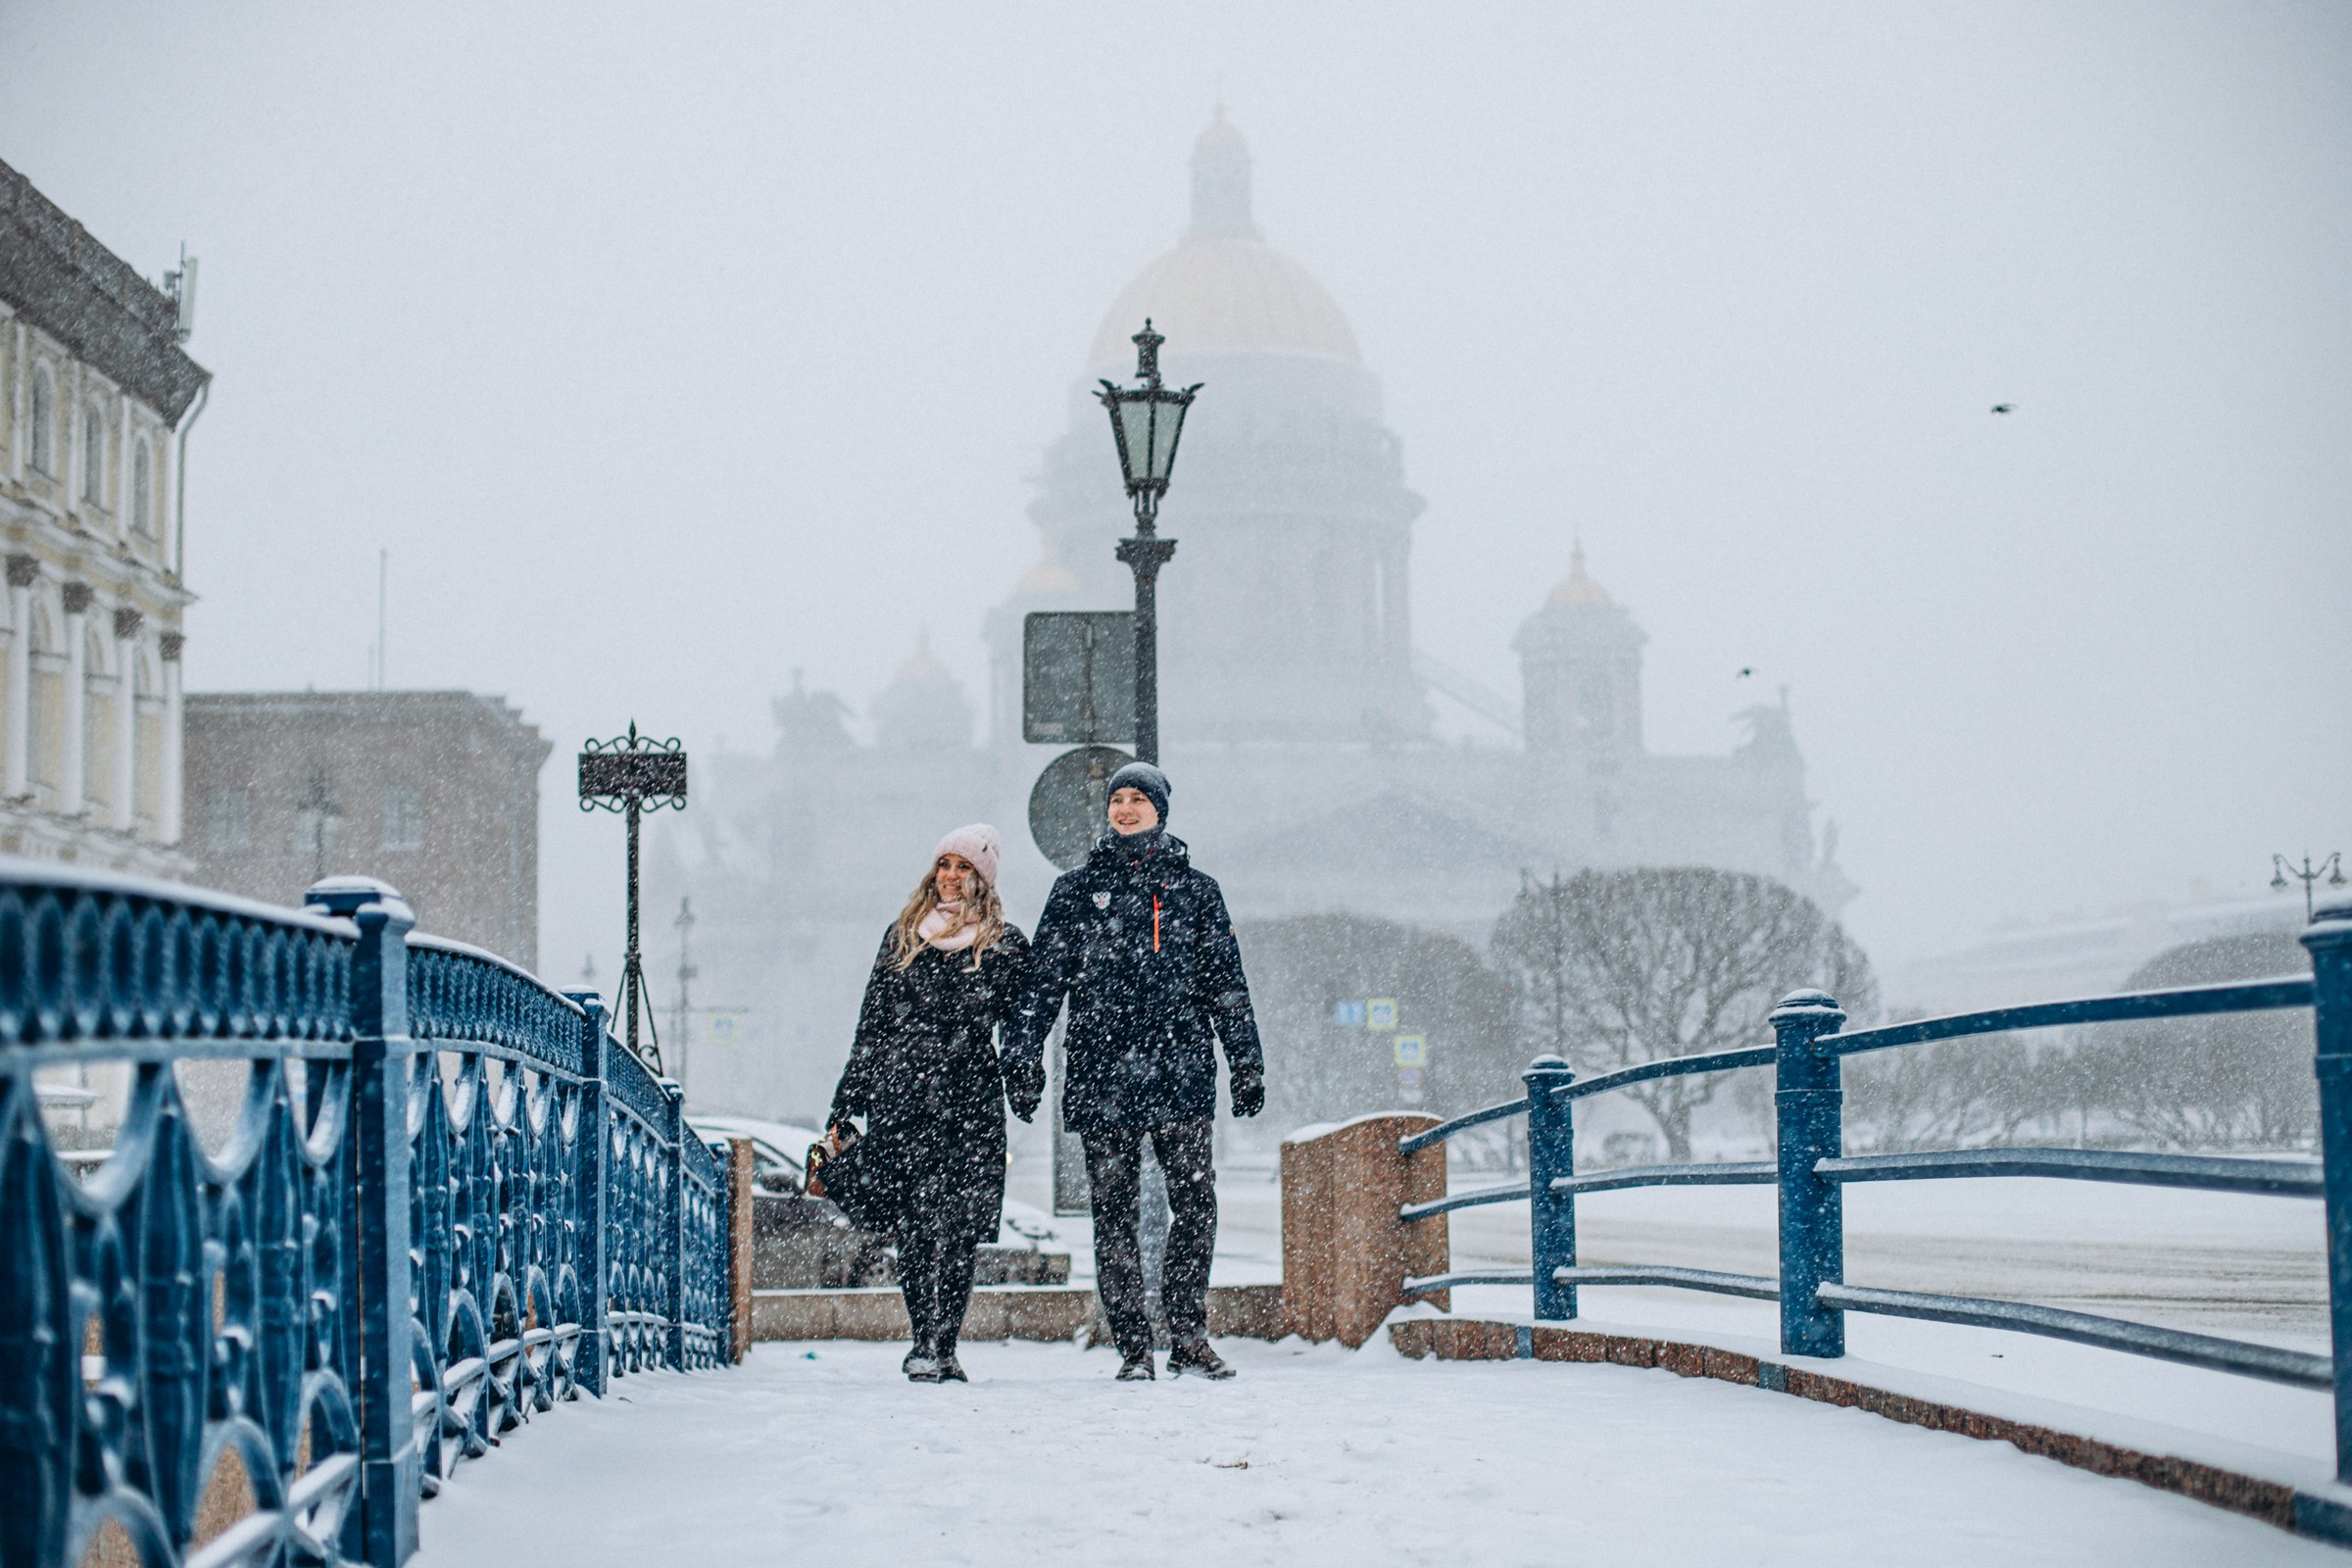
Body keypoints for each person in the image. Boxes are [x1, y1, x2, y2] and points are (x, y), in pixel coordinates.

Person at [1002, 761, 1265, 1382]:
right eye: (1117, 799)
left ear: (1160, 811)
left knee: (1196, 1203)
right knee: (1113, 1211)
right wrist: (1023, 1058)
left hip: (1180, 1072)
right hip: (1103, 1074)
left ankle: (1188, 1335)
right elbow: (1044, 983)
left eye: (1137, 799)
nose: (1124, 808)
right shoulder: (1075, 891)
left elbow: (1226, 984)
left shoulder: (1197, 891)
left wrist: (1246, 1063)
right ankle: (1133, 1348)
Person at [828, 824, 1028, 1383]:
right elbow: (871, 1024)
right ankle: (922, 1341)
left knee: (960, 1225)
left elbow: (1021, 1028)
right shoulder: (902, 937)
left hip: (971, 1097)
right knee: (915, 1225)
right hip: (904, 1096)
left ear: (982, 878)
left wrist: (1025, 1081)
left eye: (963, 866)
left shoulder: (1005, 943)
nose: (950, 876)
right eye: (944, 864)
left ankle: (946, 1343)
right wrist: (849, 1100)